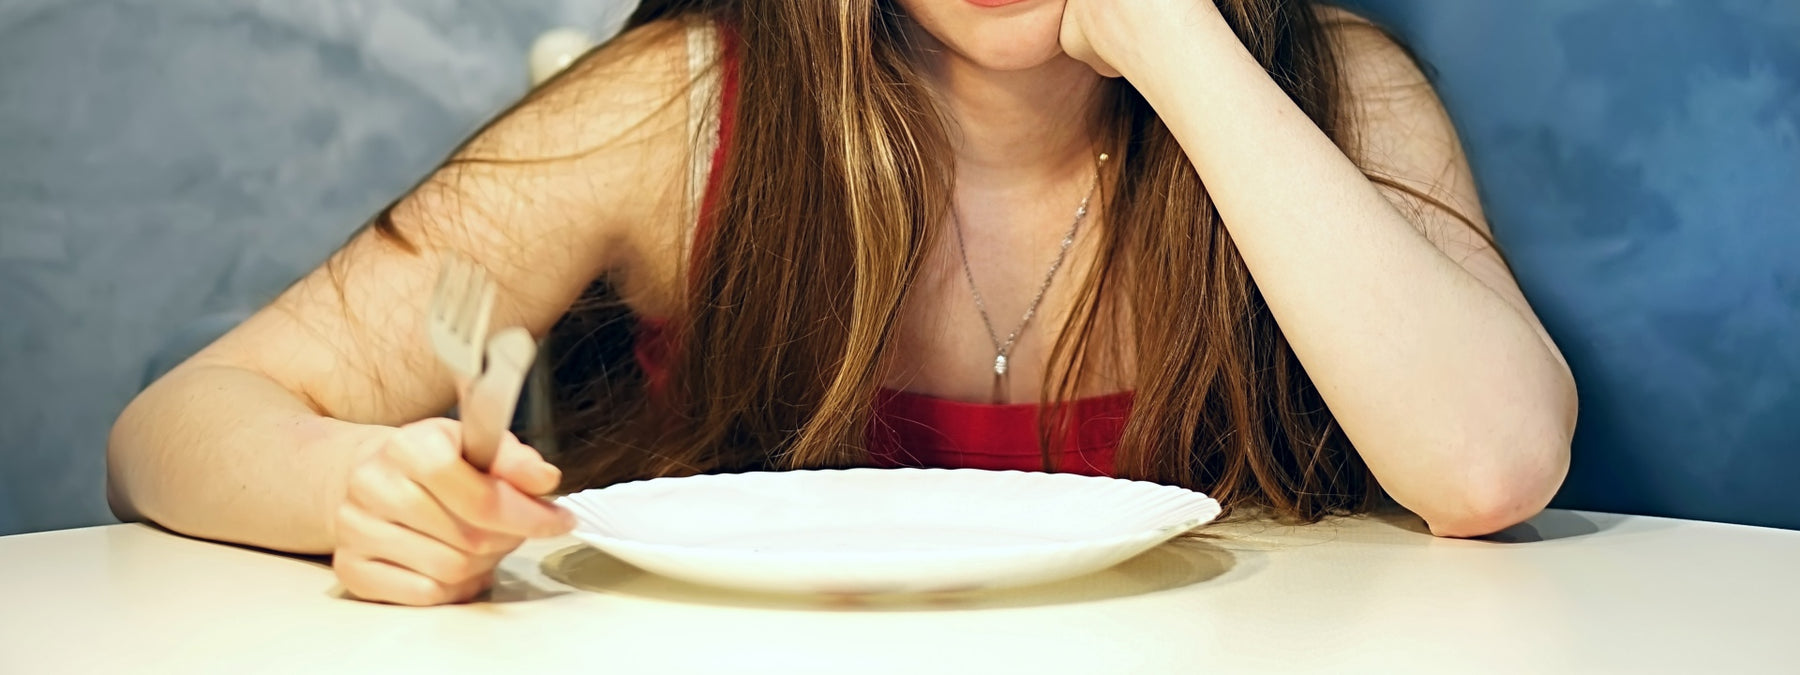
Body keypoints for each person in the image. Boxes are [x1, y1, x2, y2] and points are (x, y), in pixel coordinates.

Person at [108, 0, 1577, 606]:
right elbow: (176, 424)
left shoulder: (1334, 94)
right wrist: (364, 485)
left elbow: (1490, 466)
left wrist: (1180, 44)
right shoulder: (680, 112)